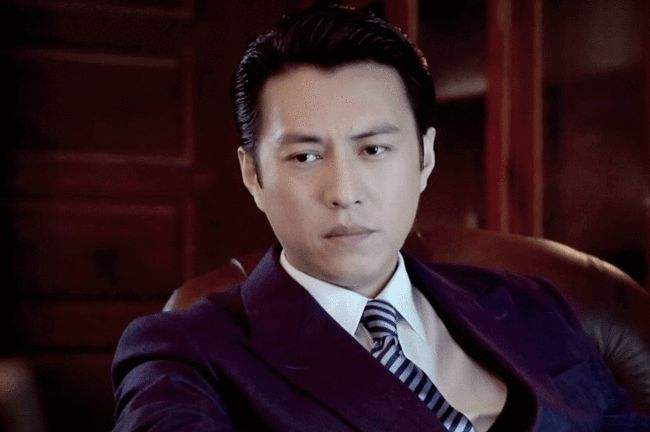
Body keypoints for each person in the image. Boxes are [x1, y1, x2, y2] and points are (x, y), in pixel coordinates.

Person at [111, 5, 649, 431]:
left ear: (425, 157)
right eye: (305, 157)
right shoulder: (185, 352)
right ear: (253, 174)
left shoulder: (533, 303)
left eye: (373, 150)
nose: (344, 193)